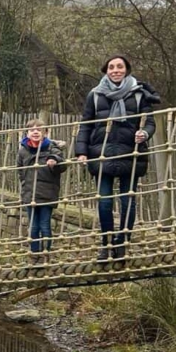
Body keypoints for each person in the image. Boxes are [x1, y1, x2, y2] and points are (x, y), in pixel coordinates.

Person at [74, 55, 160, 261]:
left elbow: (149, 122)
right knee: (104, 202)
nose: (115, 70)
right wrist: (82, 151)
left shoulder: (139, 94)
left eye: (119, 67)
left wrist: (145, 134)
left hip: (130, 153)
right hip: (101, 154)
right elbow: (86, 124)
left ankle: (122, 244)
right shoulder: (95, 95)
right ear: (106, 71)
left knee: (127, 201)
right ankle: (106, 243)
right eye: (111, 67)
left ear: (126, 69)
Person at [17, 119, 66, 265]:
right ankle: (34, 253)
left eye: (39, 129)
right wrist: (25, 184)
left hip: (46, 193)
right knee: (33, 226)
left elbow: (62, 165)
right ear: (27, 133)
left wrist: (53, 162)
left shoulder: (52, 148)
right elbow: (20, 170)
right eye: (32, 130)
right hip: (30, 193)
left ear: (46, 132)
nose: (35, 132)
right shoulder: (23, 150)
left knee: (45, 224)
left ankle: (46, 253)